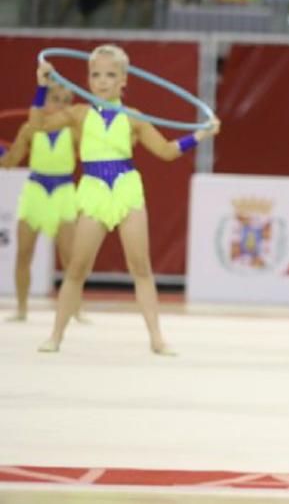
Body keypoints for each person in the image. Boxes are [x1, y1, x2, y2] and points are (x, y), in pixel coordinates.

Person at [32, 45, 220, 354]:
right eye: (95, 74)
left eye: (110, 75)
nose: (101, 81)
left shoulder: (134, 117)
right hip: (93, 188)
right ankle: (55, 335)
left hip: (125, 187)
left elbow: (166, 151)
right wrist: (41, 88)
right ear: (87, 78)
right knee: (77, 268)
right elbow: (38, 126)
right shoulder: (78, 114)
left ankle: (157, 338)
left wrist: (200, 135)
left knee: (141, 267)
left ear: (123, 80)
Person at [0, 83, 83, 322]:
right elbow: (11, 161)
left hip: (63, 192)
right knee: (24, 254)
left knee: (71, 259)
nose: (60, 105)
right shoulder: (30, 129)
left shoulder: (74, 131)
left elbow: (92, 153)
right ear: (44, 102)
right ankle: (22, 308)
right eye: (55, 99)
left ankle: (75, 309)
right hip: (35, 191)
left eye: (66, 101)